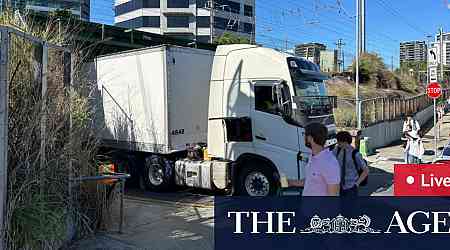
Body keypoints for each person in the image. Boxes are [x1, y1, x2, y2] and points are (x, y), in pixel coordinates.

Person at [288, 123, 340, 196]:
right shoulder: (313, 156)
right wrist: (290, 182)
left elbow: (333, 195)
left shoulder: (329, 162)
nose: (304, 137)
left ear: (310, 138)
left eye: (304, 134)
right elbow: (311, 180)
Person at [333, 131, 369, 197]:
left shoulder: (355, 154)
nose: (338, 143)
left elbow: (366, 170)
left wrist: (356, 184)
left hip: (351, 187)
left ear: (345, 141)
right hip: (339, 186)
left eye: (339, 141)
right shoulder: (337, 150)